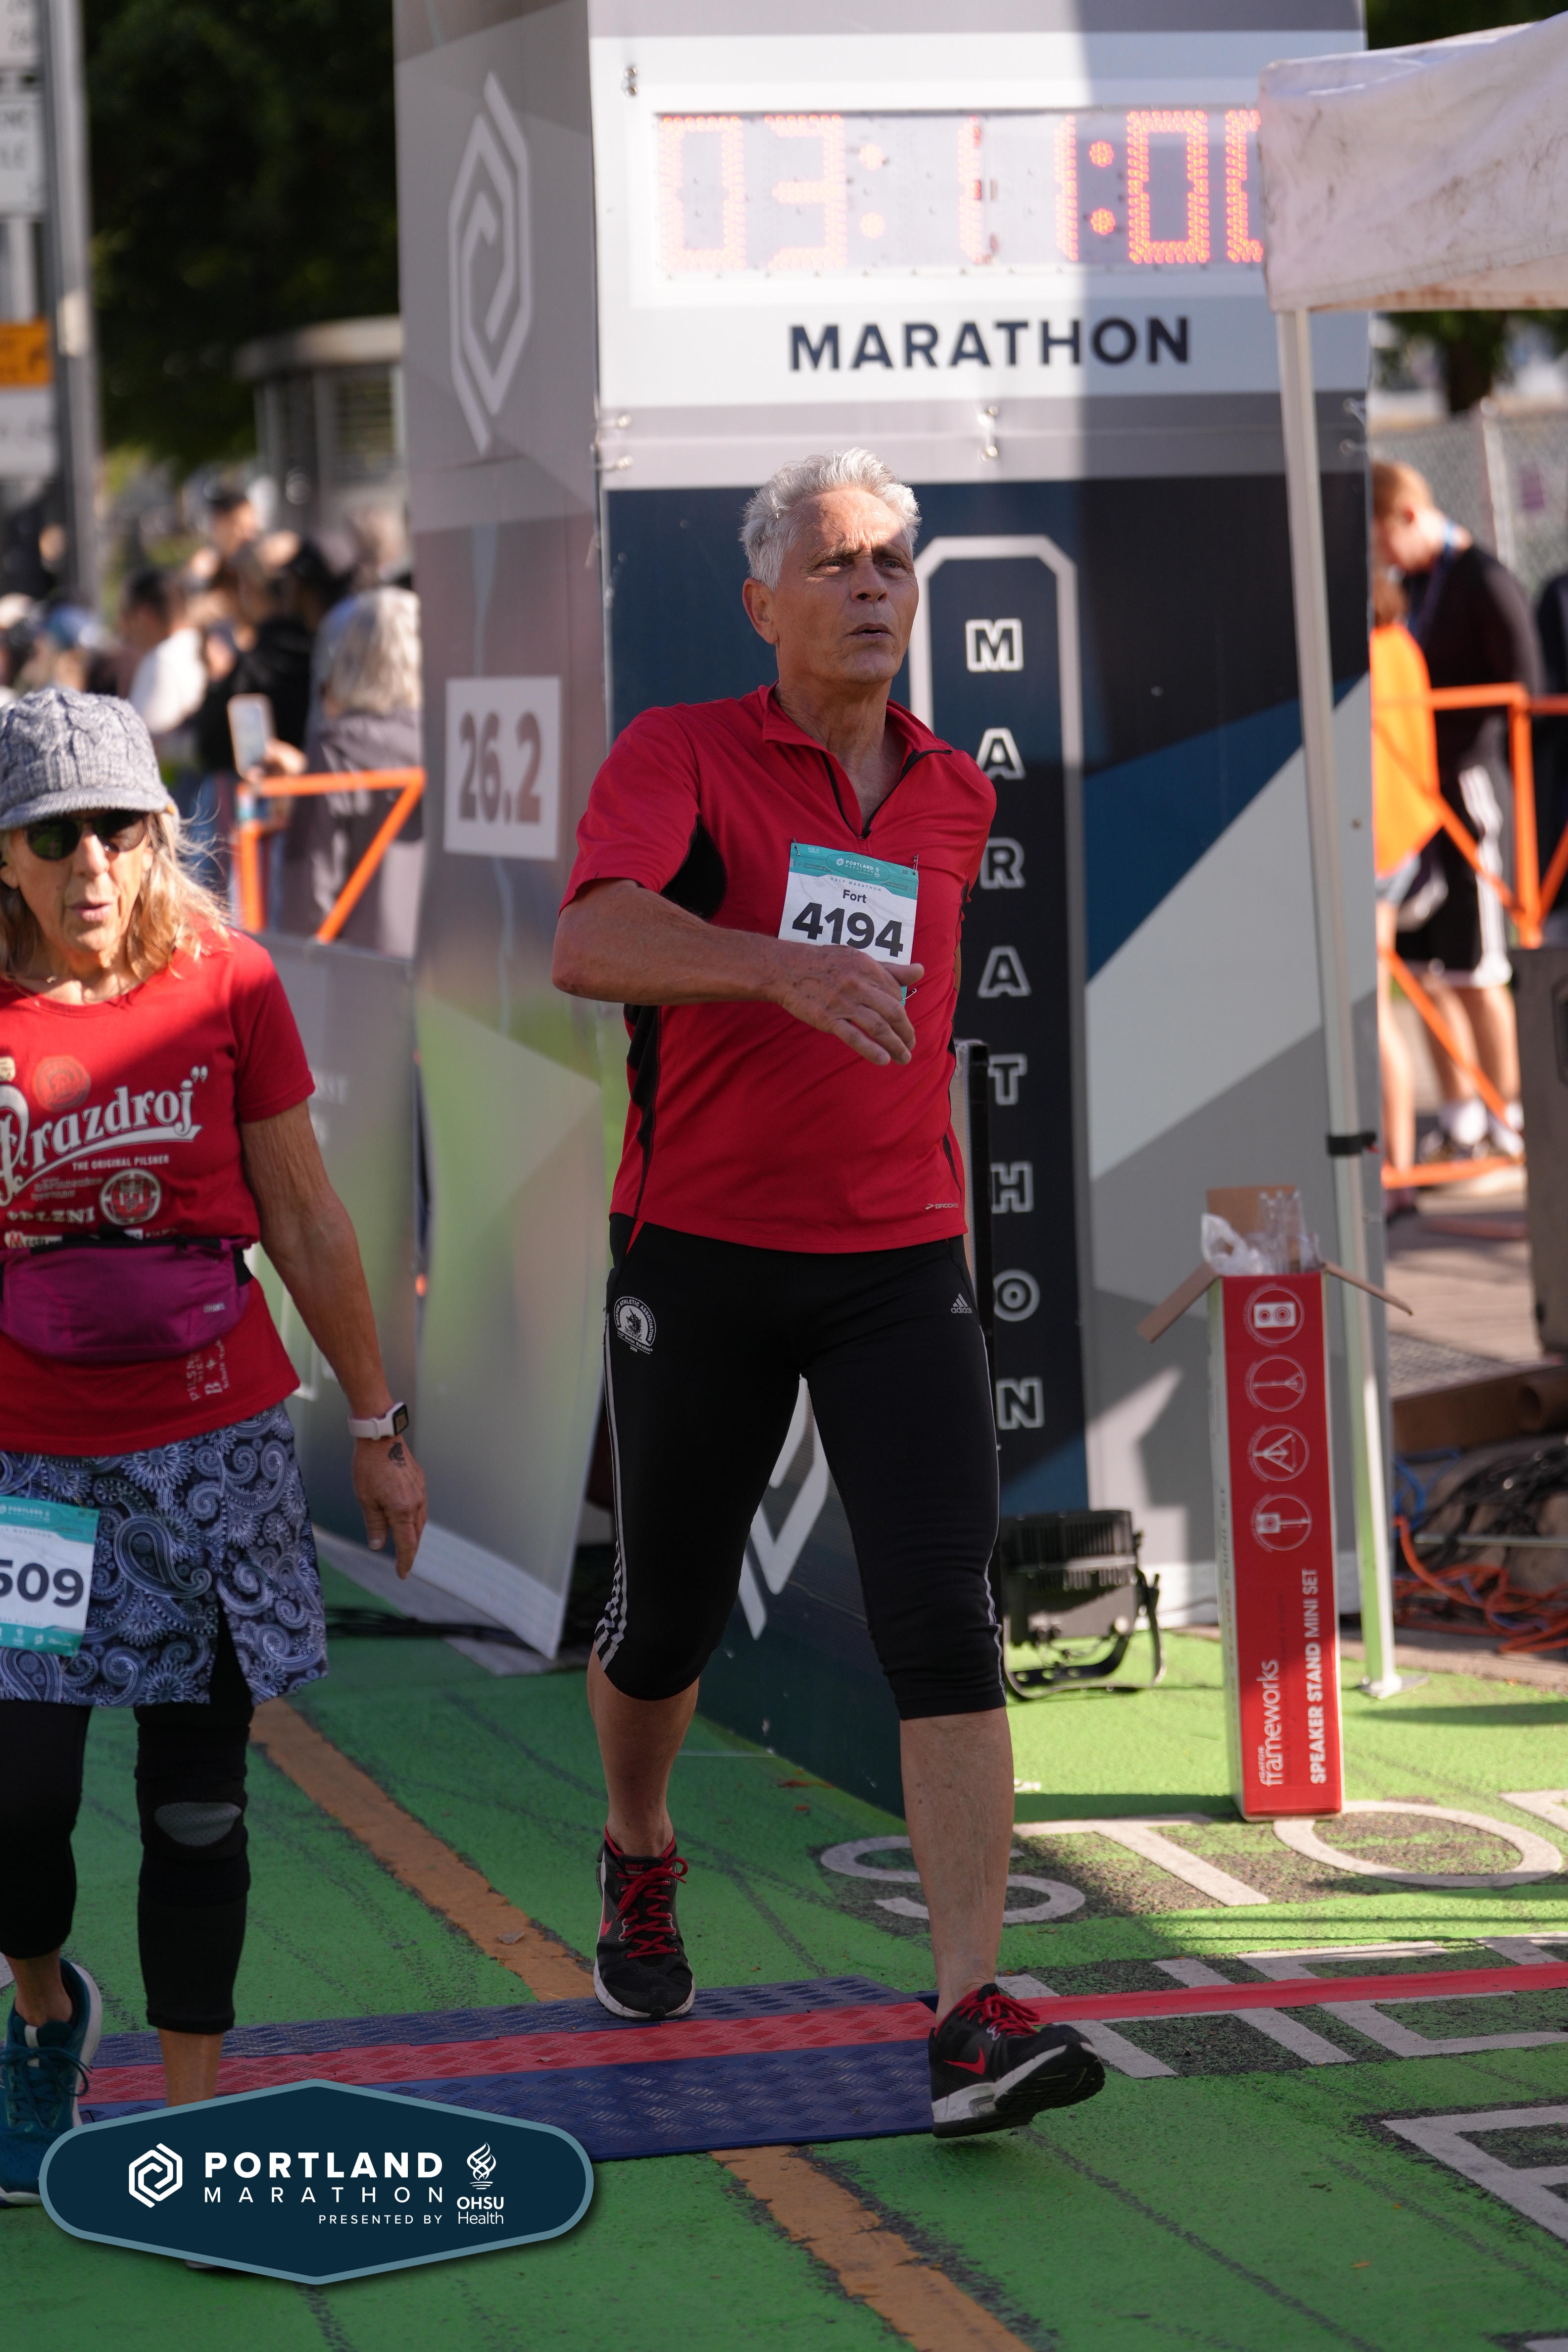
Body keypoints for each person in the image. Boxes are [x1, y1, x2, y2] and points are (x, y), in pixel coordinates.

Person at [551, 447, 1106, 2141]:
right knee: (666, 1621)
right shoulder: (681, 754)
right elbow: (590, 941)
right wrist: (772, 968)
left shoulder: (952, 790)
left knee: (944, 1616)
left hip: (895, 1265)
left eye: (890, 562)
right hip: (700, 1253)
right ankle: (639, 1847)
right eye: (835, 563)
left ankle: (965, 2017)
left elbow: (918, 1032)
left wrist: (940, 1226)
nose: (871, 586)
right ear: (761, 603)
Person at [0, 687, 426, 2202]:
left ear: (157, 837)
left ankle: (185, 2121)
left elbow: (306, 1218)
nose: (90, 865)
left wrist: (377, 1426)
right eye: (54, 835)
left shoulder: (231, 980)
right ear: (5, 854)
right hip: (31, 1476)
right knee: (18, 1803)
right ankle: (42, 2015)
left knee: (197, 1805)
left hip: (212, 1459)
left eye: (118, 830)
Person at [1372, 460, 1538, 1165]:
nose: (1382, 556)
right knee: (1427, 970)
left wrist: (1460, 743)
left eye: (1383, 538)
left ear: (1408, 517)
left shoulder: (1482, 579)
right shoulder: (1410, 586)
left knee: (1478, 969)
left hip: (1469, 790)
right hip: (1414, 797)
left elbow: (1526, 687)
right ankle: (1461, 1116)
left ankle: (1510, 1117)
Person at [267, 588, 424, 956]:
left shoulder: (336, 747)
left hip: (360, 963)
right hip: (444, 959)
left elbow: (311, 882)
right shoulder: (450, 741)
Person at [1370, 569, 1442, 1217]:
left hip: (1369, 840)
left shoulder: (1363, 654)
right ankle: (1398, 1167)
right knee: (1377, 1006)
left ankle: (1398, 1170)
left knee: (1371, 1012)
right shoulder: (1402, 642)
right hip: (1398, 838)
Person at [120, 567, 207, 749]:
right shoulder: (201, 646)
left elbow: (141, 744)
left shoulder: (161, 660)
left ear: (145, 616)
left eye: (126, 615)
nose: (123, 626)